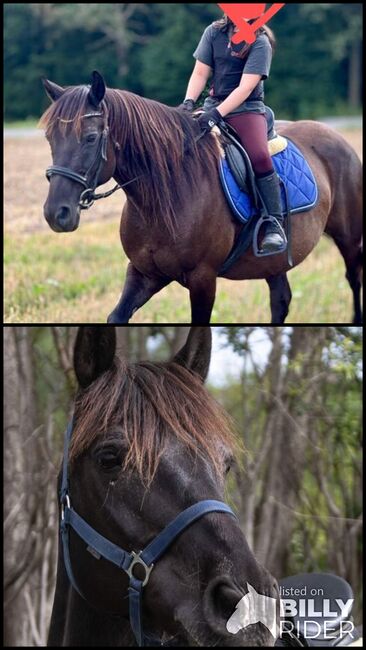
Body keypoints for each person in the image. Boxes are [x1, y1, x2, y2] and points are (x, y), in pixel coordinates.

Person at [179, 12, 286, 254]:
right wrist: (188, 102)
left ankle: (274, 223)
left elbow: (246, 87)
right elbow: (199, 72)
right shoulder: (213, 32)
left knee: (259, 156)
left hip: (246, 109)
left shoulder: (260, 42)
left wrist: (217, 113)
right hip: (212, 105)